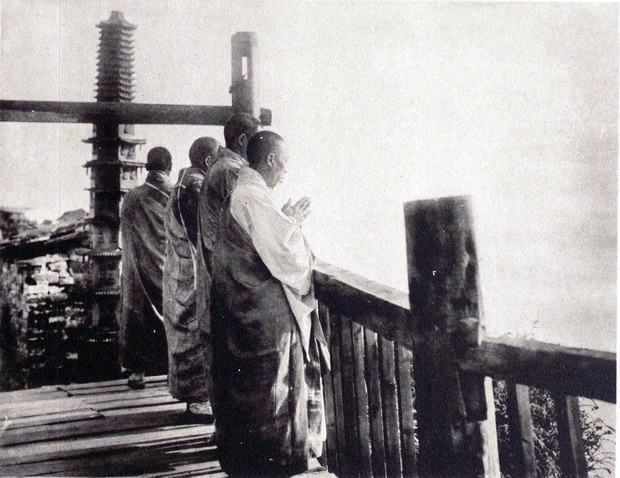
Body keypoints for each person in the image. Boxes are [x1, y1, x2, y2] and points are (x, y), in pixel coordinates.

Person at [210, 131, 330, 477]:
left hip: (243, 310)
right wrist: (293, 224)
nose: (286, 173)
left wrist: (286, 219)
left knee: (256, 395)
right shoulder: (251, 195)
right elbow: (288, 256)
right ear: (272, 159)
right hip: (260, 316)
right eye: (285, 164)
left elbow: (267, 240)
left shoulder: (248, 194)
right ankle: (270, 466)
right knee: (270, 396)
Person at [162, 137, 220, 417]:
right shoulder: (196, 187)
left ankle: (195, 397)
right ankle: (198, 399)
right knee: (195, 331)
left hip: (179, 268)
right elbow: (200, 236)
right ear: (209, 162)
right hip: (192, 270)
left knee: (187, 332)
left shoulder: (183, 183)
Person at [195, 113, 261, 331]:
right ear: (242, 141)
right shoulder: (230, 171)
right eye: (256, 141)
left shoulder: (221, 166)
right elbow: (251, 225)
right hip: (229, 275)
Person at [119, 146, 173, 390]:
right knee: (174, 316)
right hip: (167, 268)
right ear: (169, 167)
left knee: (137, 316)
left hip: (135, 270)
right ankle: (175, 372)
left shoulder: (131, 197)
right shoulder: (174, 195)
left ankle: (137, 374)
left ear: (147, 167)